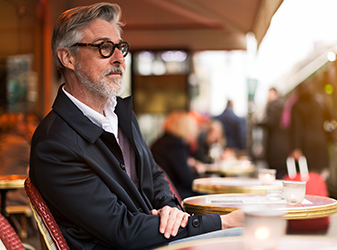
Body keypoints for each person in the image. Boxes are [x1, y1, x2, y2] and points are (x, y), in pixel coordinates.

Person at [28, 3, 243, 250]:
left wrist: (170, 209)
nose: (119, 58)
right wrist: (224, 223)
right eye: (104, 47)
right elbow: (122, 230)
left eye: (121, 47)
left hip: (157, 240)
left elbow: (154, 174)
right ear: (68, 58)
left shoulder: (122, 115)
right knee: (245, 234)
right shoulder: (54, 144)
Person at [150, 111, 204, 199]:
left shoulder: (161, 142)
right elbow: (187, 180)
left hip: (161, 191)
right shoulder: (175, 146)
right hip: (173, 194)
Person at [289, 83, 333, 175]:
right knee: (321, 174)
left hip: (306, 145)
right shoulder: (319, 103)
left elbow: (297, 129)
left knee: (308, 174)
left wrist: (296, 147)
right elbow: (331, 119)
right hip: (321, 142)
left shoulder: (297, 106)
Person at [257, 88, 290, 179]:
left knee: (274, 174)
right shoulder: (284, 104)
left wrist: (258, 123)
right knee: (281, 173)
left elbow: (270, 122)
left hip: (274, 146)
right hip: (283, 145)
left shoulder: (273, 106)